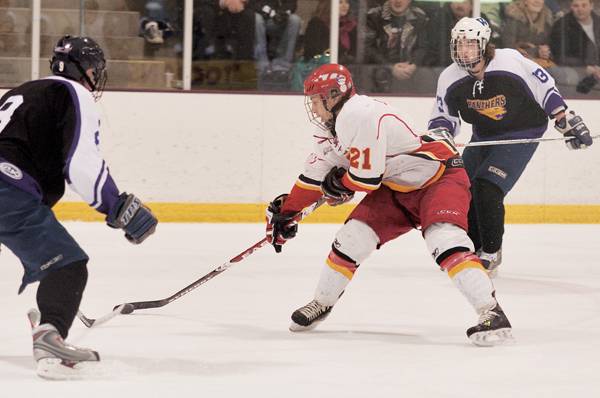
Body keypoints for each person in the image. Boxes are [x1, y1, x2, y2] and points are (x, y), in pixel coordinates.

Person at [265, 63, 514, 346]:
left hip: (439, 178)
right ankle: (322, 302)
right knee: (352, 238)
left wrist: (341, 186)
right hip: (398, 186)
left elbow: (366, 179)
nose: (312, 106)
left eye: (315, 99)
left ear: (334, 95)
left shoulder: (359, 114)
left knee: (445, 240)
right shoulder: (329, 128)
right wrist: (286, 213)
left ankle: (491, 312)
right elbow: (314, 177)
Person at [0, 36, 158, 379]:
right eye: (93, 70)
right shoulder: (75, 94)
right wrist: (118, 207)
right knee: (67, 266)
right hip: (7, 191)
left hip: (9, 188)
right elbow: (82, 165)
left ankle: (47, 316)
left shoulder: (22, 90)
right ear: (85, 70)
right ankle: (50, 337)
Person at [428, 17, 593, 276]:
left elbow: (544, 85)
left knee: (487, 187)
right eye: (459, 44)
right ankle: (473, 247)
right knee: (462, 186)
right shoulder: (449, 77)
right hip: (484, 136)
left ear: (483, 44)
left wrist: (563, 118)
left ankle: (492, 252)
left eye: (471, 44)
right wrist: (440, 136)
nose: (464, 50)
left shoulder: (510, 61)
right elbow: (443, 117)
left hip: (523, 132)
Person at [503, 0, 555, 68]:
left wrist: (547, 52)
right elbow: (508, 49)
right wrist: (536, 51)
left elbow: (553, 47)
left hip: (542, 64)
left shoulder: (547, 18)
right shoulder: (513, 19)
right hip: (517, 65)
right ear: (524, 1)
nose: (538, 1)